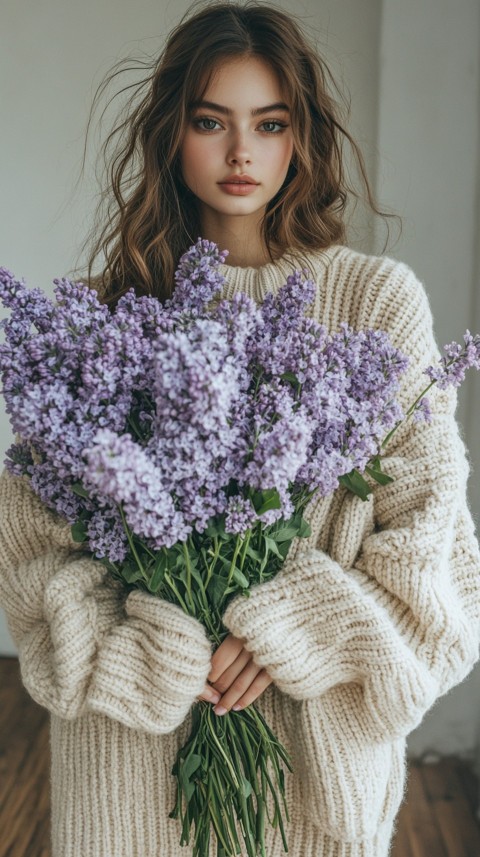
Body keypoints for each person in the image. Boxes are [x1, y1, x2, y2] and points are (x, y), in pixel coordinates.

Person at [1, 2, 479, 856]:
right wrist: (151, 636)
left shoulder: (372, 305)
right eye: (210, 120)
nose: (239, 152)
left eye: (270, 123)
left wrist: (297, 622)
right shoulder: (101, 322)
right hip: (129, 768)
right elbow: (29, 547)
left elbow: (429, 540)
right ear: (171, 134)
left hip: (311, 765)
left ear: (301, 138)